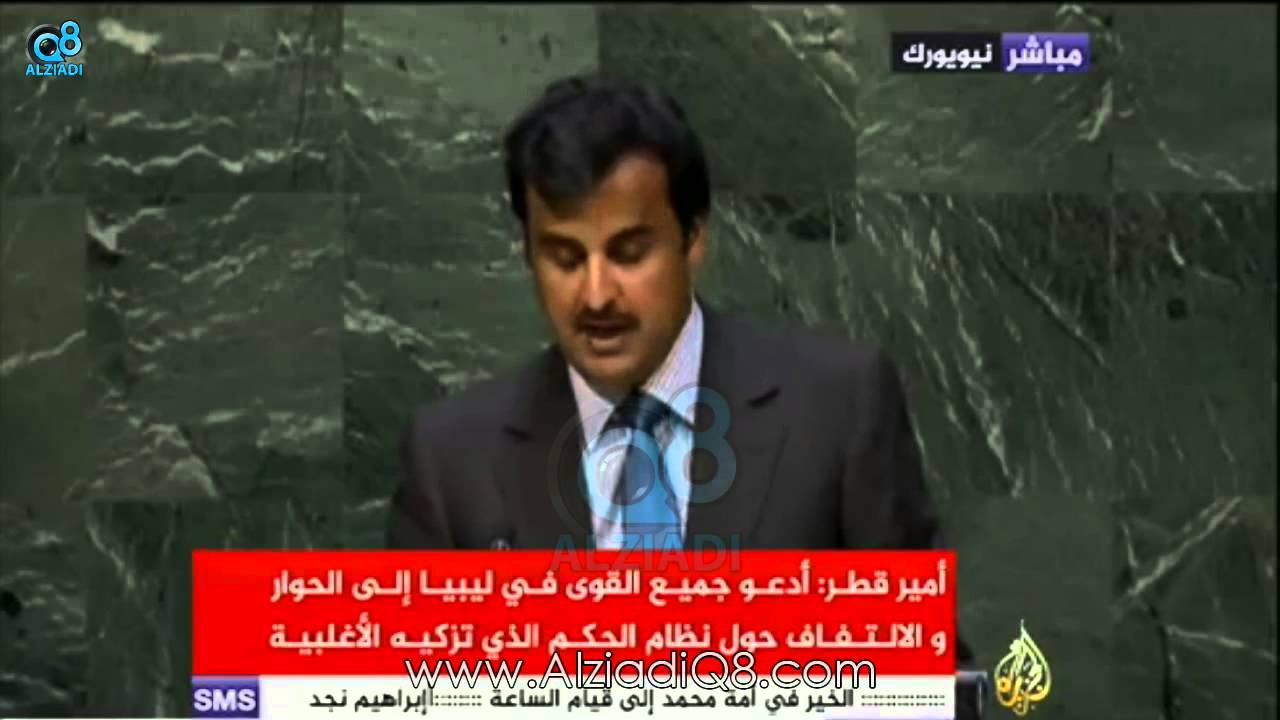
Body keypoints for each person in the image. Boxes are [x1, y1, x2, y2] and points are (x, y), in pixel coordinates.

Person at [386, 74, 977, 674]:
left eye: (629, 253)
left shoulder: (837, 410)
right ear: (527, 254)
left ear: (692, 238)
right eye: (565, 258)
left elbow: (930, 681)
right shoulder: (451, 458)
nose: (596, 295)